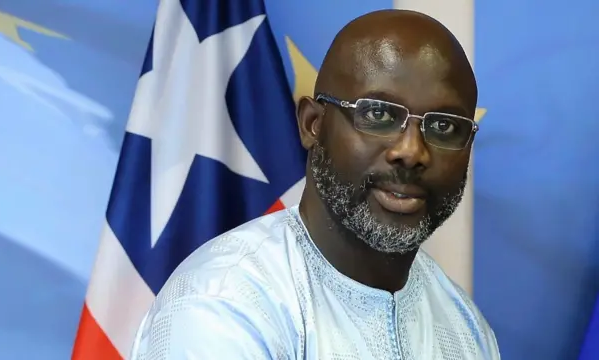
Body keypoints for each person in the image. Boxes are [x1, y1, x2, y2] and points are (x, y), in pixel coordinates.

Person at [130, 9, 500, 360]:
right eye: (378, 114)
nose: (412, 151)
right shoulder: (223, 302)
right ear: (313, 124)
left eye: (444, 126)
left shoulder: (465, 327)